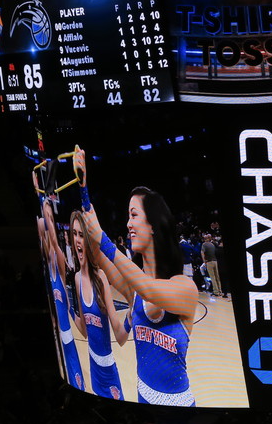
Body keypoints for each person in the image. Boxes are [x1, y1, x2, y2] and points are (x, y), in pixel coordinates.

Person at [74, 147, 198, 406]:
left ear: (153, 225)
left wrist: (104, 239)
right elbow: (101, 259)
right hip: (142, 398)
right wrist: (84, 192)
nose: (128, 224)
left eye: (133, 215)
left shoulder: (185, 287)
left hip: (178, 408)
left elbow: (148, 289)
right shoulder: (134, 292)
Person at [69, 210, 127, 400]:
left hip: (108, 369)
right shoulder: (76, 279)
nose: (78, 240)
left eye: (82, 235)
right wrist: (65, 309)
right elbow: (84, 331)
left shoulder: (101, 277)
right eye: (74, 234)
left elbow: (119, 336)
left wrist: (133, 316)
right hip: (93, 366)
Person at [34, 183, 85, 392]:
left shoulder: (59, 258)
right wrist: (41, 200)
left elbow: (52, 241)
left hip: (67, 337)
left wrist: (46, 210)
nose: (48, 222)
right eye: (48, 219)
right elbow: (40, 226)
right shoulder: (45, 257)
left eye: (51, 219)